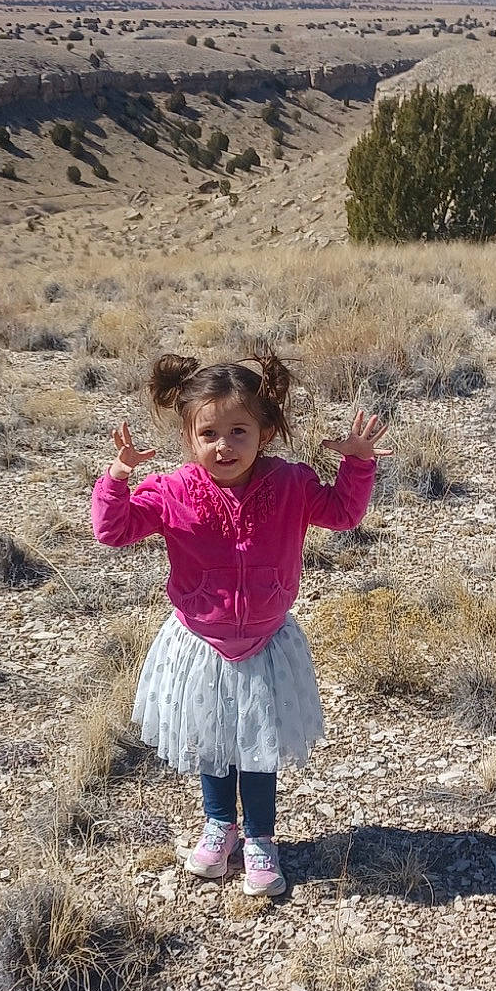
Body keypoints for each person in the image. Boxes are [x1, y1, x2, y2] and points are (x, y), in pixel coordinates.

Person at [91, 351, 388, 898]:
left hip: (265, 641)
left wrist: (358, 464)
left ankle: (259, 839)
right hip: (200, 641)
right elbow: (113, 531)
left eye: (238, 431)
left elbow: (344, 515)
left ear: (265, 432)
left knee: (257, 743)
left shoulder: (291, 484)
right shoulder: (172, 490)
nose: (223, 445)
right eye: (208, 433)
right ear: (188, 436)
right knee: (213, 739)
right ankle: (218, 824)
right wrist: (117, 477)